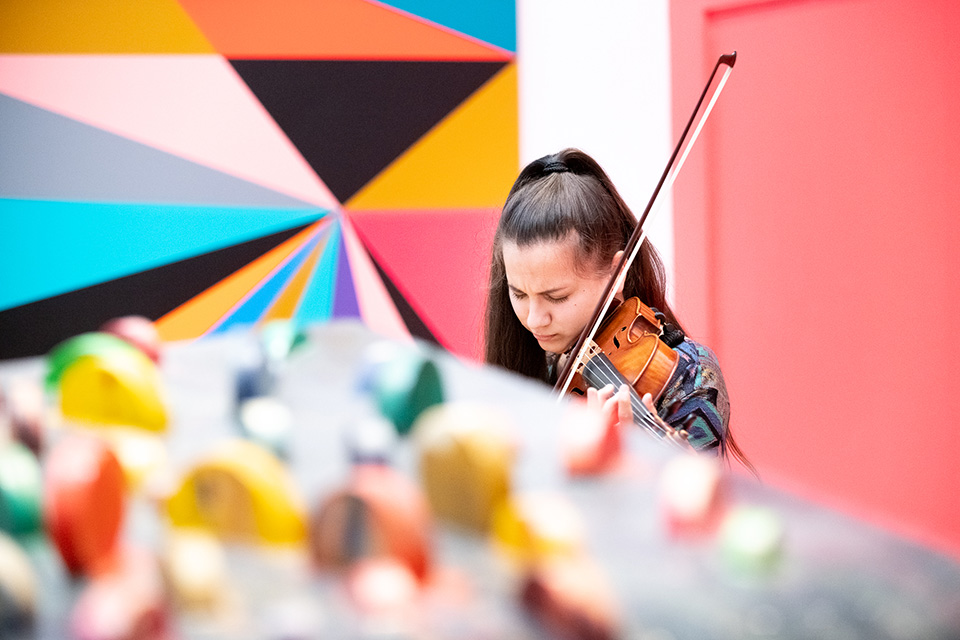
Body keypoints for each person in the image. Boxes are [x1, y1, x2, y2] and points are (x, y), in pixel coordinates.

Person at [484, 148, 751, 468]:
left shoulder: (692, 376)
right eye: (519, 294)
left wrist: (629, 462)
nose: (534, 319)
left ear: (616, 273)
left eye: (556, 298)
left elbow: (692, 501)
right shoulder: (528, 355)